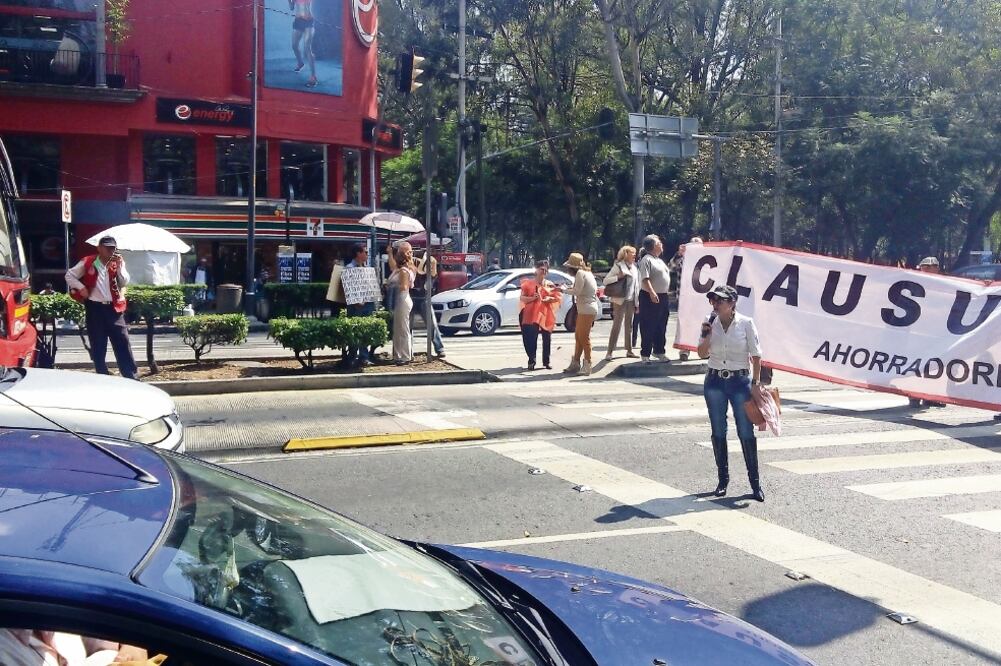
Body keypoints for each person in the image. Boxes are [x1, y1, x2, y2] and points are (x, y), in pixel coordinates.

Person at [698, 284, 765, 502]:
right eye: (713, 300)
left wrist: (755, 383)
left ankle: (755, 484)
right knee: (718, 430)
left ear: (732, 303)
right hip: (714, 381)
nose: (715, 304)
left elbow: (756, 356)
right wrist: (707, 334)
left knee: (745, 431)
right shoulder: (709, 322)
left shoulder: (746, 323)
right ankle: (722, 481)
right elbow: (701, 353)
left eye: (720, 300)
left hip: (739, 381)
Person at [65, 235, 138, 380]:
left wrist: (120, 266)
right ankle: (102, 376)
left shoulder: (118, 262)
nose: (111, 250)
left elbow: (124, 282)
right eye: (107, 247)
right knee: (98, 344)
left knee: (122, 341)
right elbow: (69, 275)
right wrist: (81, 288)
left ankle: (131, 377)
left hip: (114, 309)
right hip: (95, 309)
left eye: (113, 248)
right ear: (99, 248)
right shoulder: (88, 261)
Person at [909, 256, 946, 408]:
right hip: (916, 330)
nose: (929, 269)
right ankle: (914, 395)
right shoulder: (913, 282)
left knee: (934, 363)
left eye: (933, 267)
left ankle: (930, 396)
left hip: (935, 329)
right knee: (916, 363)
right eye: (926, 267)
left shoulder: (945, 285)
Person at [562, 252, 600, 375]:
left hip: (586, 309)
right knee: (579, 336)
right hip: (587, 308)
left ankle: (587, 364)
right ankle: (576, 363)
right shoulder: (587, 273)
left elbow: (577, 291)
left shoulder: (580, 274)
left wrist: (563, 290)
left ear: (571, 267)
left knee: (583, 338)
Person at [637, 234, 672, 363]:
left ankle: (659, 351)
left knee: (661, 325)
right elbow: (645, 278)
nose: (661, 244)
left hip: (663, 296)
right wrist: (652, 292)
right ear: (653, 246)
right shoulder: (646, 260)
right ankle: (645, 353)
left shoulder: (659, 260)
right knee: (648, 325)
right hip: (649, 296)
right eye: (658, 243)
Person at [520, 260, 561, 370]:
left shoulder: (549, 284)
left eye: (546, 270)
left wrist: (549, 299)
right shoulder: (528, 284)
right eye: (541, 269)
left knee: (547, 338)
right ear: (536, 270)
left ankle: (546, 362)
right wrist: (532, 298)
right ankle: (531, 360)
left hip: (546, 314)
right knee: (531, 338)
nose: (544, 271)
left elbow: (557, 297)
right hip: (531, 314)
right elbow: (522, 298)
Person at [668, 236, 703, 361]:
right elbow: (670, 267)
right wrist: (679, 254)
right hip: (685, 299)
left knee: (703, 324)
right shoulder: (683, 258)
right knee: (685, 325)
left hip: (701, 299)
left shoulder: (708, 259)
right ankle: (684, 350)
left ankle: (704, 350)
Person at [603, 245, 640, 359]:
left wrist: (637, 303)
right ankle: (609, 352)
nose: (634, 255)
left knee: (629, 326)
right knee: (617, 325)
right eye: (632, 253)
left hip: (631, 300)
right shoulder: (618, 266)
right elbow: (605, 281)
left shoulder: (634, 268)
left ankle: (629, 350)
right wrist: (618, 277)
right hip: (619, 300)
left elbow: (636, 286)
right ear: (625, 254)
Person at [343, 244, 376, 368]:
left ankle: (363, 357)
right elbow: (348, 287)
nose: (367, 254)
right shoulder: (349, 268)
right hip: (355, 306)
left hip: (367, 304)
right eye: (365, 252)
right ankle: (351, 357)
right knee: (355, 331)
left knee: (365, 331)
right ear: (358, 253)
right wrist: (356, 301)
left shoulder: (366, 268)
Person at [414, 252, 446, 358]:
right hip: (413, 297)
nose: (432, 268)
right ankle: (408, 351)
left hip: (424, 299)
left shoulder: (432, 275)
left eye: (433, 266)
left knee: (432, 324)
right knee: (408, 327)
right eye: (431, 266)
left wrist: (431, 267)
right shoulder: (417, 268)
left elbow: (432, 277)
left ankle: (439, 348)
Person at [389, 242, 416, 364]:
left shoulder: (403, 271)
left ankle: (405, 356)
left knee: (403, 328)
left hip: (402, 299)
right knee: (398, 328)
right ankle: (398, 355)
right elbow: (392, 266)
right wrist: (389, 253)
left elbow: (404, 287)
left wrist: (391, 285)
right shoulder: (403, 269)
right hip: (402, 299)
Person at [289, 0, 317, 88]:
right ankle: (300, 63)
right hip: (298, 21)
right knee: (294, 45)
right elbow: (291, 8)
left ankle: (313, 77)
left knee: (307, 48)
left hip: (308, 21)